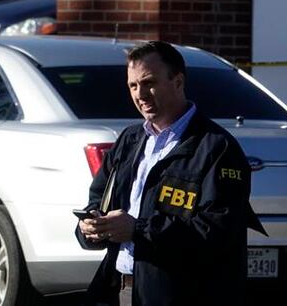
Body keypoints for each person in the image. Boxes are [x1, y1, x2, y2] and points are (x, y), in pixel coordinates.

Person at [75, 40, 264, 306]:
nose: (140, 94)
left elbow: (217, 232)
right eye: (133, 85)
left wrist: (137, 229)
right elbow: (99, 201)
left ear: (178, 81)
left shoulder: (216, 148)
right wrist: (91, 227)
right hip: (122, 290)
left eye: (149, 82)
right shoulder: (129, 140)